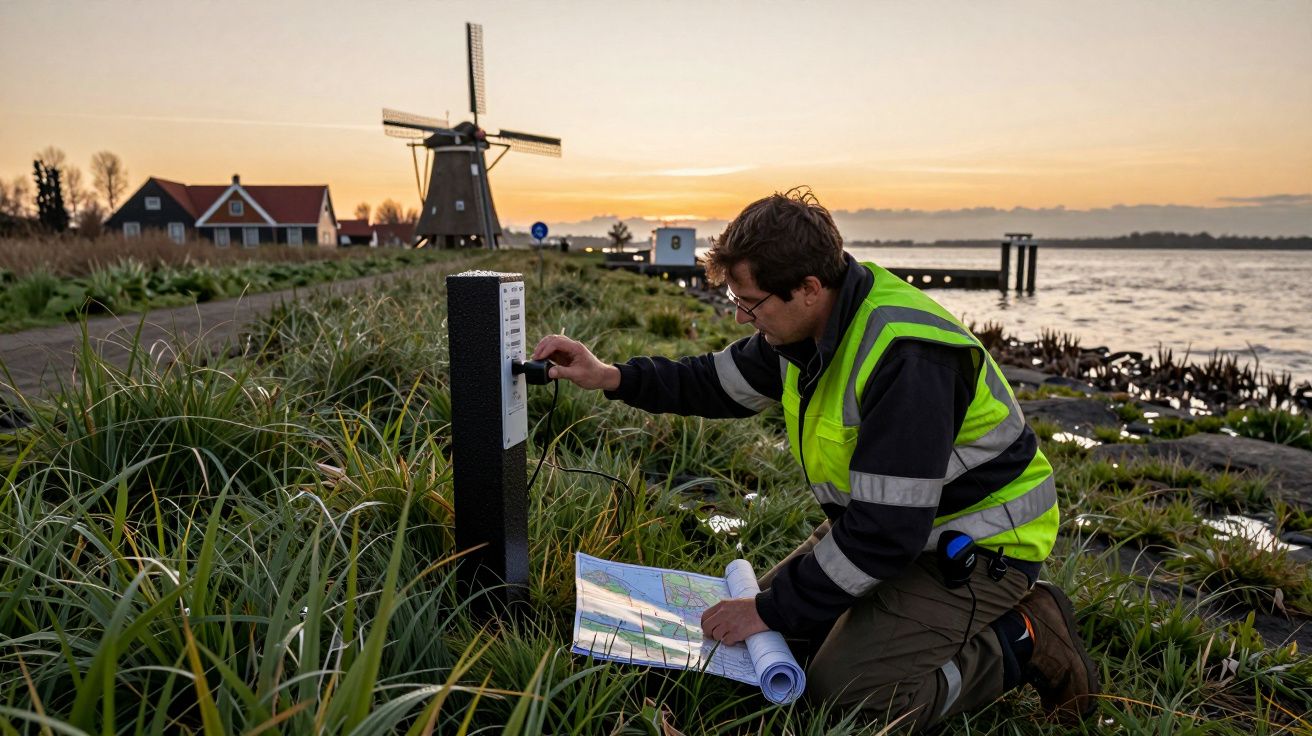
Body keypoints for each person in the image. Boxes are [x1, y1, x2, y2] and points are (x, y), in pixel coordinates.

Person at [531, 187, 1099, 731]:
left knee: (850, 700)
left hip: (975, 546)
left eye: (748, 303)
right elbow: (714, 382)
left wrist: (771, 609)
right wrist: (609, 375)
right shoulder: (805, 330)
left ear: (806, 287)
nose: (739, 318)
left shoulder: (908, 357)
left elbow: (886, 535)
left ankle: (1022, 638)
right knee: (784, 649)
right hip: (886, 529)